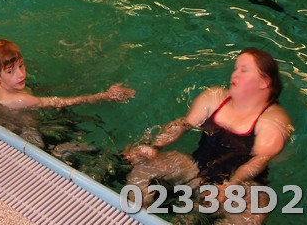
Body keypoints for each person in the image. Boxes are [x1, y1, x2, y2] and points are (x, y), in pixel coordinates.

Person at [124, 48, 293, 224]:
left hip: (241, 188)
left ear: (264, 82)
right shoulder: (214, 97)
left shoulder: (274, 121)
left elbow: (258, 161)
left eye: (244, 70)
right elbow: (183, 125)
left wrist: (230, 185)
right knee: (147, 166)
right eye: (236, 69)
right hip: (196, 170)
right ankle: (135, 217)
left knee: (257, 208)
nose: (235, 74)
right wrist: (153, 147)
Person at [0, 39, 135, 111]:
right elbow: (61, 102)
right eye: (10, 71)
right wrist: (105, 95)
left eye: (21, 65)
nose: (21, 74)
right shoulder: (22, 100)